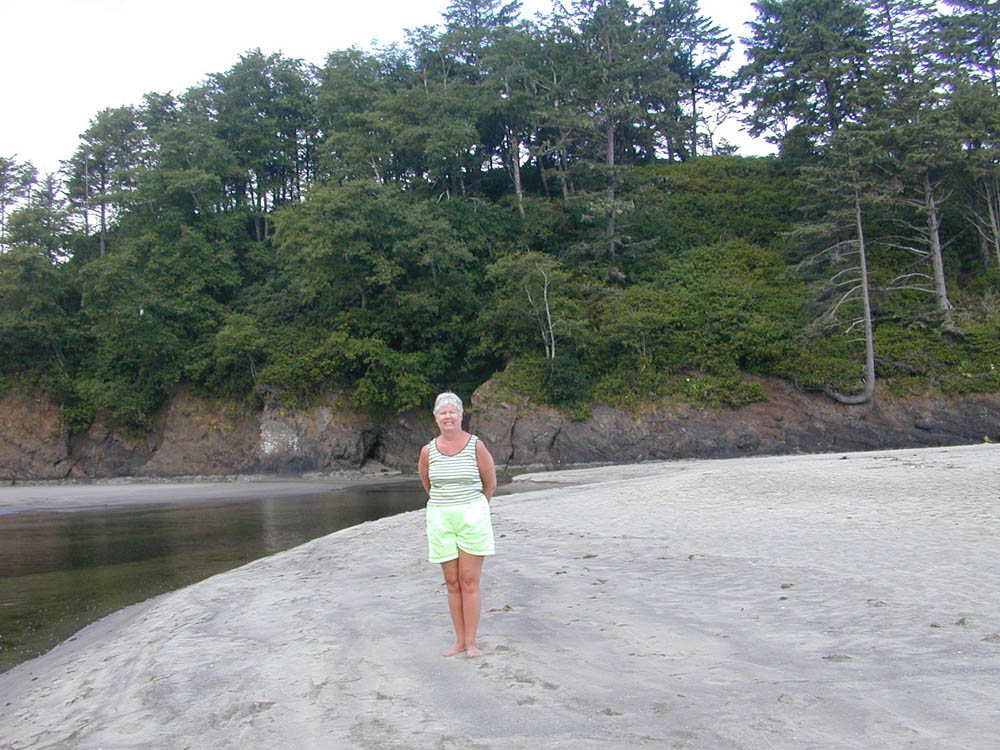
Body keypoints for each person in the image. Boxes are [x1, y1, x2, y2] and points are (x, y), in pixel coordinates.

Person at [418, 391, 497, 658]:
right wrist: (447, 506)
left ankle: (472, 642)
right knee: (452, 582)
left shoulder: (477, 446)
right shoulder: (428, 451)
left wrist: (473, 507)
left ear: (461, 415)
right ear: (436, 418)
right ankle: (460, 641)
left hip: (472, 516)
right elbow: (429, 485)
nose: (448, 416)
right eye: (443, 412)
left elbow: (490, 484)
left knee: (469, 580)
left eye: (452, 411)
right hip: (441, 517)